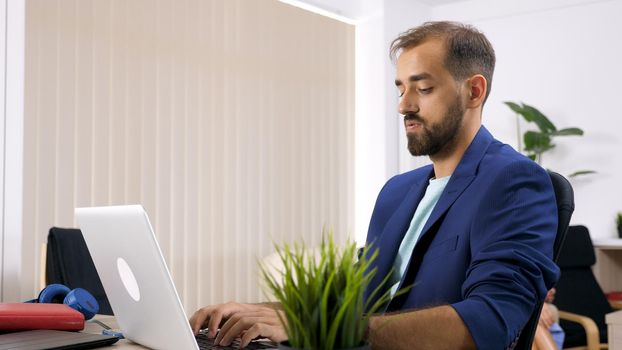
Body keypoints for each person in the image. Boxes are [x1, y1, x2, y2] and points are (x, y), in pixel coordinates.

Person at [189, 21, 560, 349]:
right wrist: (258, 313)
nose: (403, 105)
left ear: (474, 92)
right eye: (400, 89)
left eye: (423, 88)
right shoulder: (397, 191)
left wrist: (315, 328)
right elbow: (359, 304)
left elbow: (491, 323)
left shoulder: (514, 181)